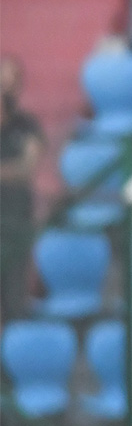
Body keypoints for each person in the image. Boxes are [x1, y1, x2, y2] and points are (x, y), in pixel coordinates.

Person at [0, 56, 44, 324]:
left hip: (15, 222)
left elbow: (28, 167)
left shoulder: (27, 125)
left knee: (15, 299)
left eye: (9, 83)